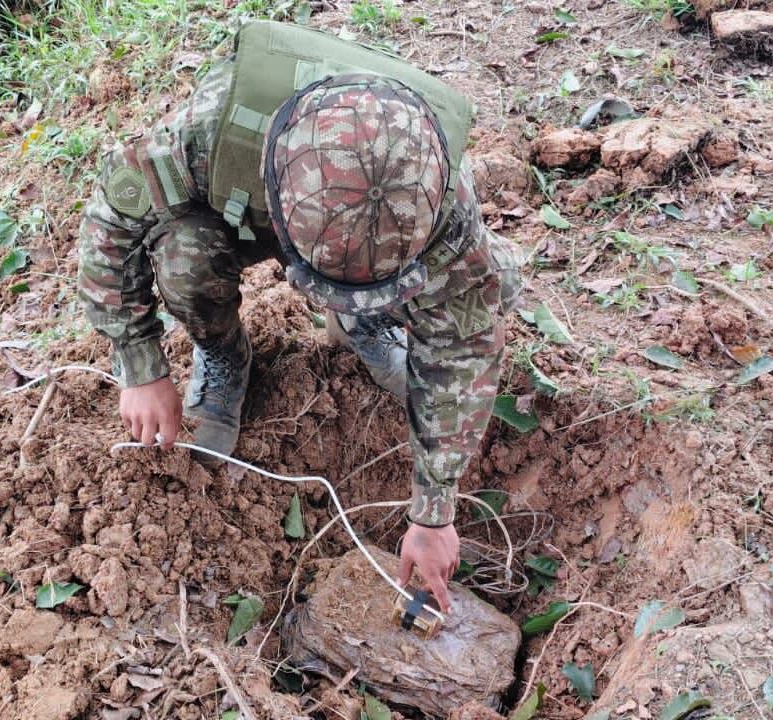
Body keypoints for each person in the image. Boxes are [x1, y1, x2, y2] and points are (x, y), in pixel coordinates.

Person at [77, 20, 523, 613]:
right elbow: (112, 218)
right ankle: (222, 353)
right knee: (184, 257)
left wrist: (434, 513)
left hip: (374, 231)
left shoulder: (436, 198)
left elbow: (465, 345)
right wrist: (139, 365)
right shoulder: (208, 136)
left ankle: (366, 323)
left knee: (489, 289)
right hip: (240, 205)